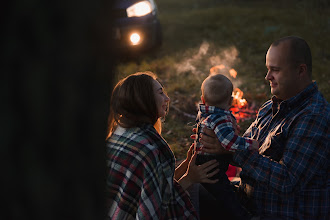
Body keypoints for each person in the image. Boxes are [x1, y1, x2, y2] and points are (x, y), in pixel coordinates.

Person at [199, 36, 330, 219]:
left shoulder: (314, 117)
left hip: (276, 213)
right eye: (268, 69)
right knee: (185, 188)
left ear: (300, 71)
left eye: (275, 70)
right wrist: (214, 142)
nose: (267, 77)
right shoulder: (271, 107)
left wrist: (230, 149)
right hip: (246, 201)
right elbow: (245, 148)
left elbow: (288, 181)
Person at [105, 71, 219, 219]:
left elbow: (158, 185)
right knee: (205, 192)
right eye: (160, 93)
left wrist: (185, 165)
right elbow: (158, 207)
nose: (167, 98)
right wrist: (190, 178)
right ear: (144, 99)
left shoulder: (120, 133)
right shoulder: (148, 149)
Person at [194, 73, 259, 219]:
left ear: (203, 100)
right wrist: (250, 144)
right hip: (212, 165)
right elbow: (229, 143)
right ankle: (241, 216)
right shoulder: (221, 118)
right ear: (231, 101)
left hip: (204, 160)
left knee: (218, 190)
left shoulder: (204, 113)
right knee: (225, 194)